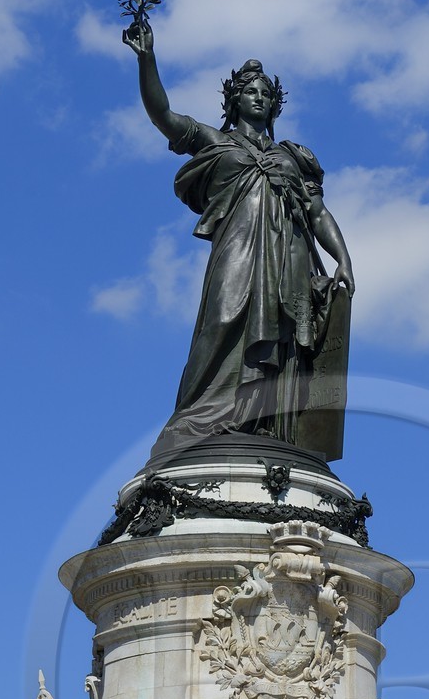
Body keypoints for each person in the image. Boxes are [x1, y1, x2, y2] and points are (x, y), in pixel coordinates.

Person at [122, 23, 355, 458]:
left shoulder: (294, 156)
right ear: (234, 100)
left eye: (267, 93)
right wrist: (146, 59)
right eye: (251, 91)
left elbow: (318, 212)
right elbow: (164, 116)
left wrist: (342, 258)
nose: (260, 98)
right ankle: (197, 421)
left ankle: (263, 425)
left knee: (284, 340)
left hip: (290, 258)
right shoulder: (217, 141)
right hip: (240, 249)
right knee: (221, 321)